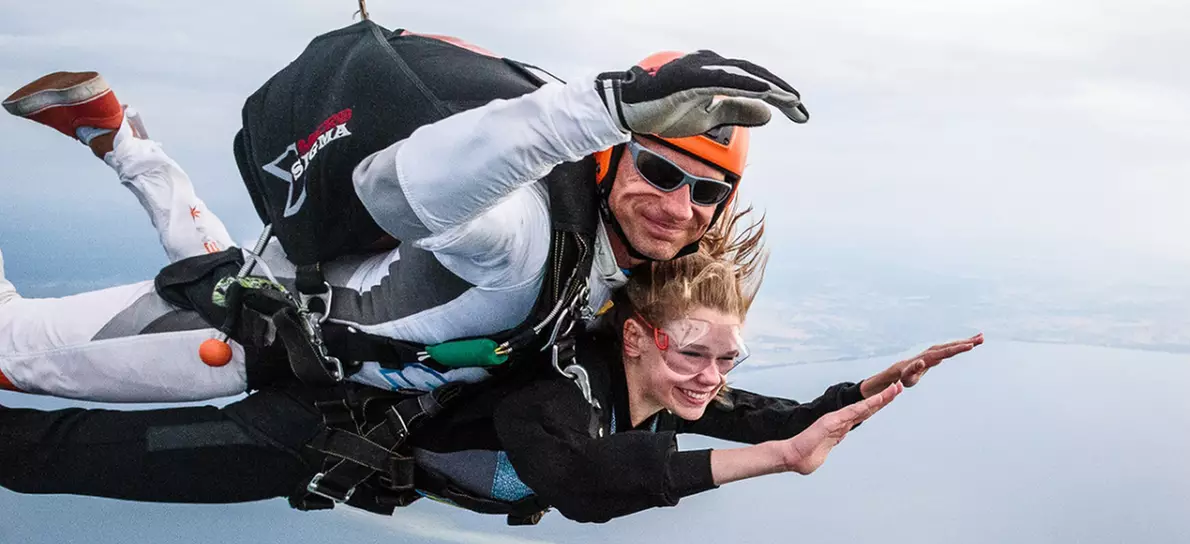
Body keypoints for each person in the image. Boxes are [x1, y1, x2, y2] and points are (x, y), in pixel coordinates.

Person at [0, 214, 982, 524]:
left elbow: (757, 413)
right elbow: (580, 482)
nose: (711, 381)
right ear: (637, 338)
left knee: (42, 415)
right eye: (696, 353)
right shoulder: (567, 391)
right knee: (43, 450)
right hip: (295, 431)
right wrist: (783, 463)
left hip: (325, 397)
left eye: (728, 356)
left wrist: (868, 392)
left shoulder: (651, 372)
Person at [0, 42, 807, 402]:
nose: (678, 207)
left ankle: (122, 140)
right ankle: (121, 141)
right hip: (246, 345)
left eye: (708, 194)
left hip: (291, 302)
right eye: (659, 171)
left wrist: (802, 423)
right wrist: (601, 107)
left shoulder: (613, 278)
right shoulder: (530, 244)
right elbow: (393, 185)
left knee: (235, 266)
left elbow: (683, 373)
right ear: (610, 158)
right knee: (9, 353)